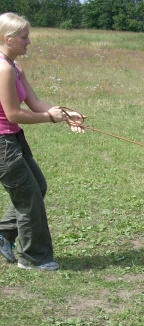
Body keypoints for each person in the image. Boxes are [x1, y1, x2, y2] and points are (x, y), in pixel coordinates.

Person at [0, 12, 85, 270]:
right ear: (9, 38)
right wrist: (49, 118)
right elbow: (14, 113)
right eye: (24, 37)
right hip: (2, 144)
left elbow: (34, 102)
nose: (29, 42)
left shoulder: (14, 67)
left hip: (14, 138)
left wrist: (66, 114)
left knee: (37, 185)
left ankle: (3, 234)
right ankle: (33, 258)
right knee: (29, 198)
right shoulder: (2, 70)